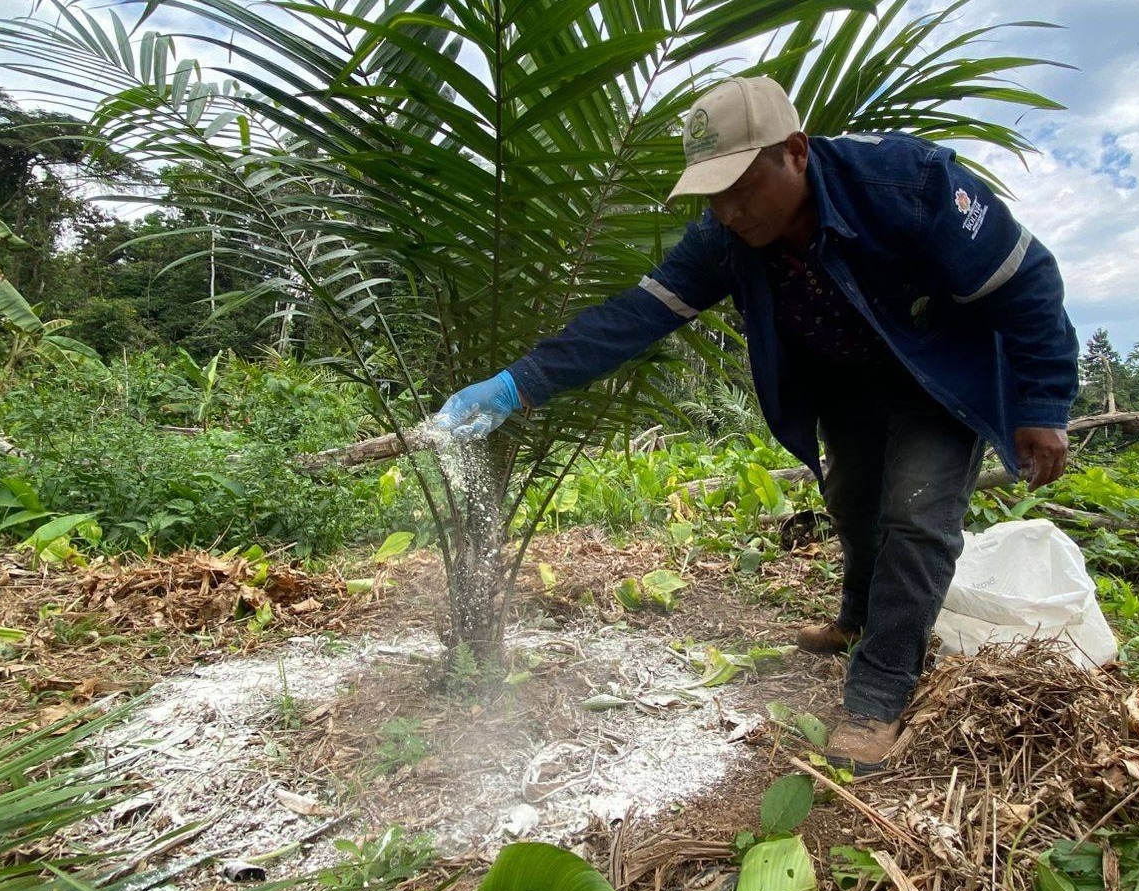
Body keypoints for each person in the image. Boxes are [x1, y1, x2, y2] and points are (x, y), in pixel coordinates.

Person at [429, 76, 1078, 771]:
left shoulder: (908, 185)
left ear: (794, 152)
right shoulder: (723, 240)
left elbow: (1026, 280)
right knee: (853, 500)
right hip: (847, 382)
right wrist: (515, 385)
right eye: (714, 195)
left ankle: (879, 690)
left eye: (740, 187)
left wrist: (1042, 406)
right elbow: (635, 317)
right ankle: (858, 615)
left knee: (916, 514)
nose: (729, 211)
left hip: (938, 375)